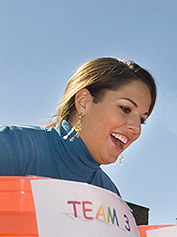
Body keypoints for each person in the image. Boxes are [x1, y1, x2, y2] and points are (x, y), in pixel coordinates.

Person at [0, 57, 156, 197]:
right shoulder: (13, 146)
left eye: (142, 120)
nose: (136, 129)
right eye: (125, 109)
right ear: (84, 102)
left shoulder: (110, 195)